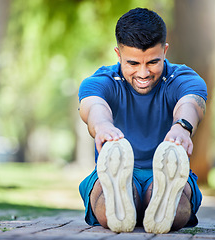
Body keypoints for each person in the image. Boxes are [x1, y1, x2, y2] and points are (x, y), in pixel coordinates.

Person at [78, 8, 207, 234]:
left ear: (165, 50)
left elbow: (191, 104)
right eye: (133, 63)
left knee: (175, 208)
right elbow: (94, 106)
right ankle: (127, 195)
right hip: (114, 170)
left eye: (153, 62)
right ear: (118, 54)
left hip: (169, 170)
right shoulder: (101, 80)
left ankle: (157, 197)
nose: (144, 73)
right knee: (108, 201)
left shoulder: (183, 78)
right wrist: (103, 126)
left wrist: (182, 126)